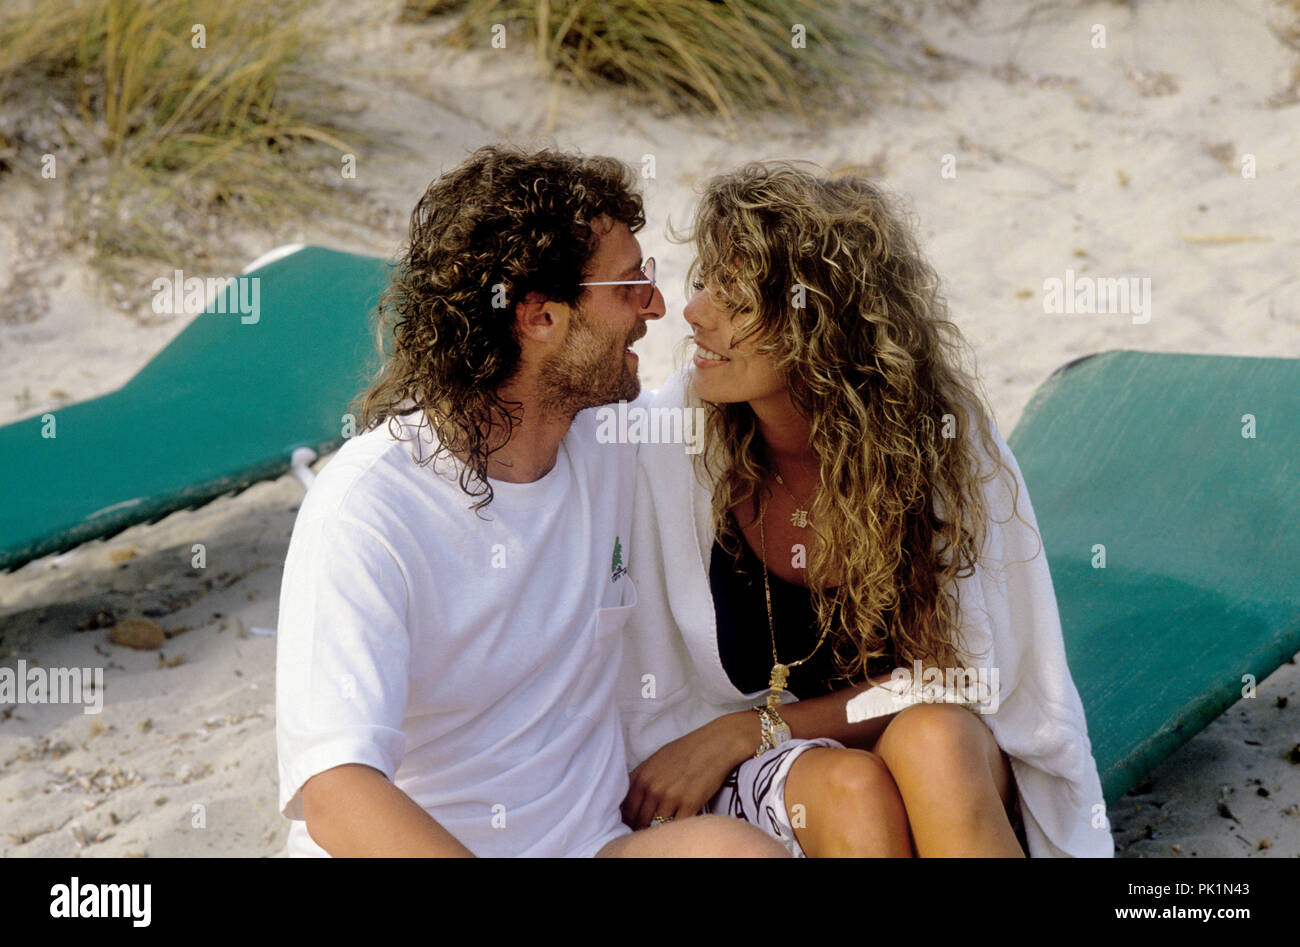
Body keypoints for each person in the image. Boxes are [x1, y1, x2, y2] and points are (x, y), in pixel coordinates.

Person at [275, 146, 787, 858]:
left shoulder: (614, 441)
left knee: (741, 855)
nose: (658, 304)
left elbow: (786, 385)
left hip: (588, 844)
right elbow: (336, 789)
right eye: (631, 283)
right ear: (540, 317)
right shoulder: (368, 509)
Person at [617, 162, 1113, 858]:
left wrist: (757, 727)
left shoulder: (941, 440)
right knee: (855, 789)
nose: (695, 310)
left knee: (934, 740)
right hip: (775, 773)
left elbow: (964, 670)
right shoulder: (678, 440)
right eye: (706, 281)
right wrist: (746, 736)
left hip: (928, 740)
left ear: (815, 323)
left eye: (733, 294)